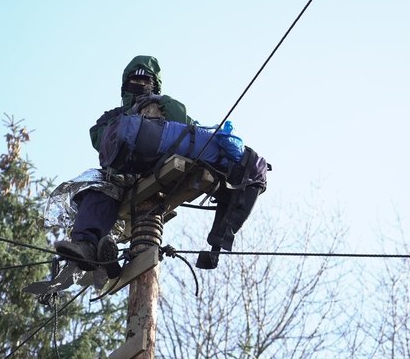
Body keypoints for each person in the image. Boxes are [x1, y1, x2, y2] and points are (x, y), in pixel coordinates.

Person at [54, 55, 268, 274]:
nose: (140, 85)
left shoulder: (166, 107)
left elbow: (189, 130)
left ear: (154, 84)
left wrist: (164, 104)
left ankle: (104, 254)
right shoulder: (114, 116)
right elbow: (100, 139)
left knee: (109, 188)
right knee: (98, 188)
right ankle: (89, 248)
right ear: (125, 85)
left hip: (161, 170)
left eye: (147, 81)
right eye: (134, 81)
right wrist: (131, 117)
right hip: (123, 176)